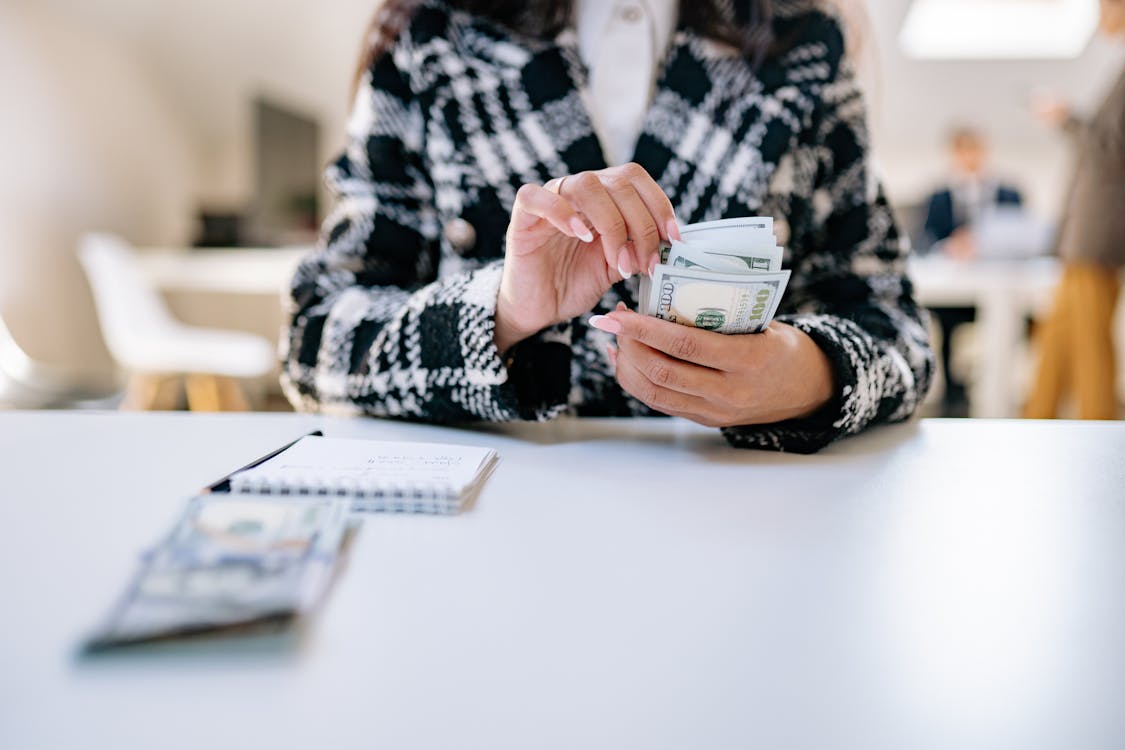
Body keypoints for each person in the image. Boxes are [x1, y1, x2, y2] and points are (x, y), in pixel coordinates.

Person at [281, 0, 934, 454]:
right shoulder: (431, 35)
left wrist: (807, 378)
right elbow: (312, 343)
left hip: (742, 524)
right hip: (490, 530)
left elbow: (900, 333)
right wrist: (502, 313)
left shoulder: (803, 43)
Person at [1024, 0, 1125, 420]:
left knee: (1089, 346)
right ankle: (1033, 424)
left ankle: (1100, 431)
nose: (1100, 13)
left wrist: (1066, 118)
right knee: (1056, 339)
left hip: (1099, 233)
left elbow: (1112, 149)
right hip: (1082, 233)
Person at [922, 127, 1023, 417]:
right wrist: (952, 246)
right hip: (956, 291)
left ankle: (996, 391)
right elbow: (926, 238)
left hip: (1000, 286)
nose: (970, 157)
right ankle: (954, 393)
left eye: (975, 149)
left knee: (1007, 322)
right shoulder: (938, 198)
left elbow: (1021, 236)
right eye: (963, 151)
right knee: (945, 322)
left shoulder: (1010, 193)